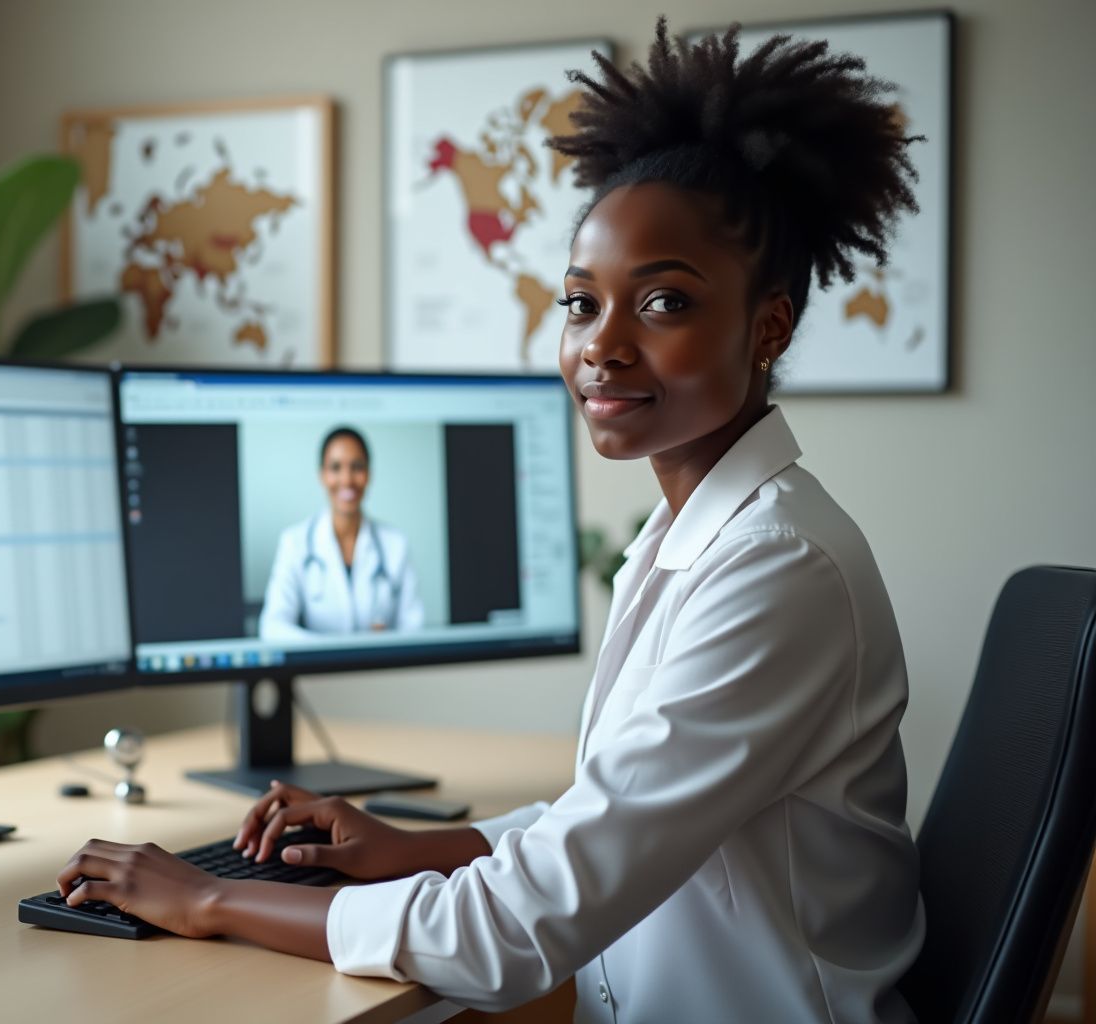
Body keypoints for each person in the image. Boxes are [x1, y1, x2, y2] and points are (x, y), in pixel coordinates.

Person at [53, 21, 925, 1022]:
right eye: (580, 303)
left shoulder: (776, 569)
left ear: (767, 325)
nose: (602, 347)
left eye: (664, 301)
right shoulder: (702, 536)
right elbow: (608, 819)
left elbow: (520, 929)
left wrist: (211, 896)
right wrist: (414, 845)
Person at [258, 426, 424, 637]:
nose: (347, 479)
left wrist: (385, 645)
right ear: (322, 475)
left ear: (369, 474)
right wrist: (330, 652)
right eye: (335, 467)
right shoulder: (294, 543)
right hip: (318, 669)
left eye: (357, 467)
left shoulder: (395, 544)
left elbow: (414, 628)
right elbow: (272, 627)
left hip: (382, 669)